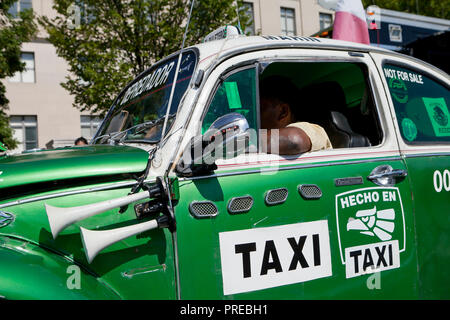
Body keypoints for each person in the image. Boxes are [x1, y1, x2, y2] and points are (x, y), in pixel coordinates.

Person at [259, 75, 332, 155]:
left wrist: (246, 141)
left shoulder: (310, 129)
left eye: (261, 109)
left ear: (283, 111)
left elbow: (294, 139)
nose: (256, 115)